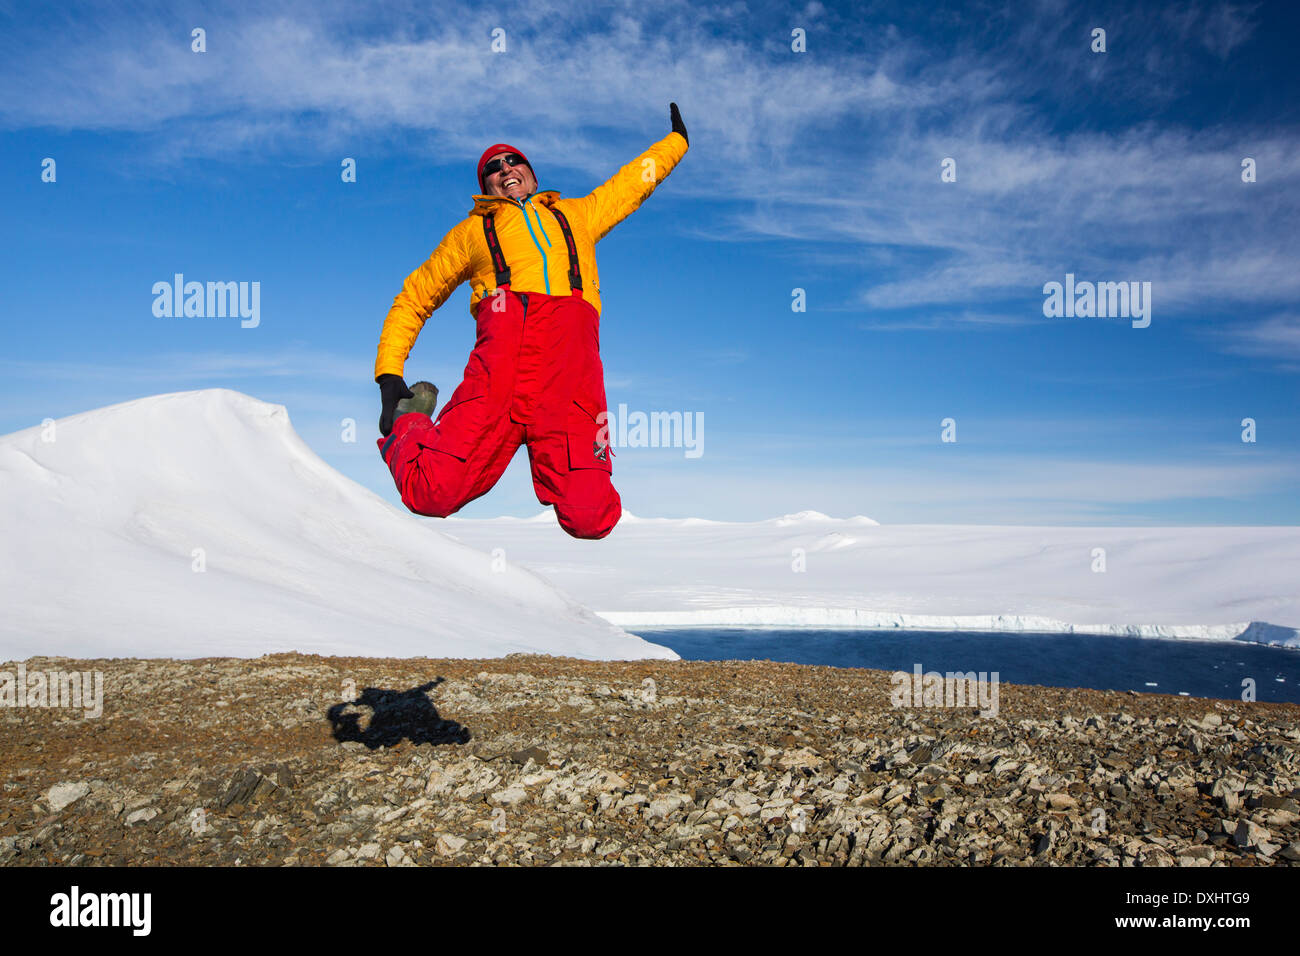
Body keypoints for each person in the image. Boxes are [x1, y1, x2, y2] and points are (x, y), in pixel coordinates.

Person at [374, 103, 689, 540]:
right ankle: (410, 425)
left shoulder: (578, 216)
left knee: (591, 517)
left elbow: (631, 183)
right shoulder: (471, 234)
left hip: (570, 383)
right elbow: (414, 298)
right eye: (492, 169)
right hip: (497, 379)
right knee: (431, 492)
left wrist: (677, 142)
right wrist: (389, 374)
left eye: (513, 161)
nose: (504, 169)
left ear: (532, 176)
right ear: (487, 187)